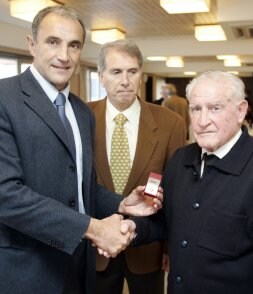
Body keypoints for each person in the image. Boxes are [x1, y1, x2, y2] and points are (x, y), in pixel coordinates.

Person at [0, 6, 163, 294]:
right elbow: (6, 195)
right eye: (53, 42)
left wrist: (120, 204)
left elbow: (81, 185)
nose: (64, 55)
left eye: (74, 45)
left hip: (79, 267)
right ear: (32, 44)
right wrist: (94, 229)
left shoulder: (80, 111)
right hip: (26, 270)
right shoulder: (5, 99)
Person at [135, 70, 253, 294]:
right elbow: (165, 221)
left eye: (214, 108)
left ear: (240, 111)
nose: (202, 121)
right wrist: (130, 228)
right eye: (196, 109)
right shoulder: (180, 159)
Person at [87, 39, 185, 294]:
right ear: (101, 76)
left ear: (141, 74)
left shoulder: (170, 123)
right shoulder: (81, 117)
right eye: (116, 72)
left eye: (132, 71)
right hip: (94, 246)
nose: (125, 80)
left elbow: (176, 191)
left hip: (148, 248)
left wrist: (169, 248)